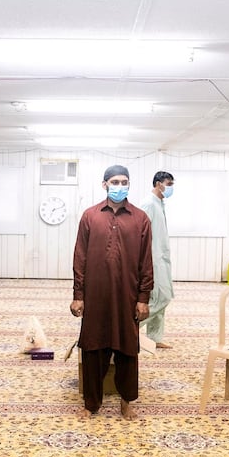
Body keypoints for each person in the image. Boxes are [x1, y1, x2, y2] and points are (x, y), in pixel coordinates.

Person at [71, 164, 153, 420]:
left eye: (124, 182)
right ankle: (91, 403)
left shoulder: (140, 219)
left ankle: (127, 401)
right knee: (93, 349)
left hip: (127, 297)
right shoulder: (90, 216)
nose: (120, 186)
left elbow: (146, 261)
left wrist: (143, 298)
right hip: (95, 297)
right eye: (115, 182)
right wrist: (78, 294)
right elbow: (80, 257)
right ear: (104, 184)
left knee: (128, 349)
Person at [140, 170, 175, 348]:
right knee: (161, 298)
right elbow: (140, 233)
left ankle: (154, 337)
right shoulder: (148, 204)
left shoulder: (160, 203)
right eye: (168, 184)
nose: (171, 188)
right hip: (152, 260)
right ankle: (131, 328)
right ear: (158, 184)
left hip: (161, 258)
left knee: (162, 297)